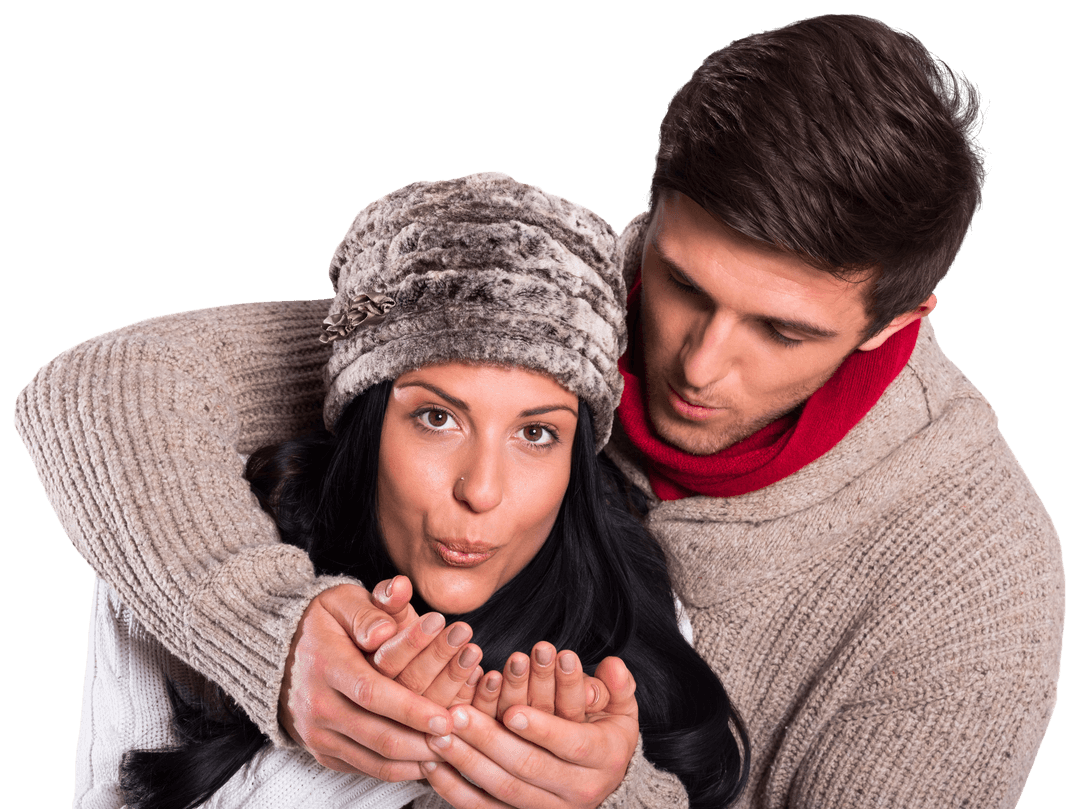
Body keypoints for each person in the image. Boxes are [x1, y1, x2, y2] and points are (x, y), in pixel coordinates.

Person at [15, 13, 1064, 809]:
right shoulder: (541, 302)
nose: (699, 363)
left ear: (893, 324)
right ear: (652, 212)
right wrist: (275, 644)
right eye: (684, 284)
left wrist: (607, 795)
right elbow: (100, 392)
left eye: (780, 333)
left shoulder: (975, 581)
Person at [59, 172, 749, 809]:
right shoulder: (178, 547)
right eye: (437, 418)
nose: (481, 490)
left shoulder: (631, 606)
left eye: (536, 433)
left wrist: (603, 787)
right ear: (368, 425)